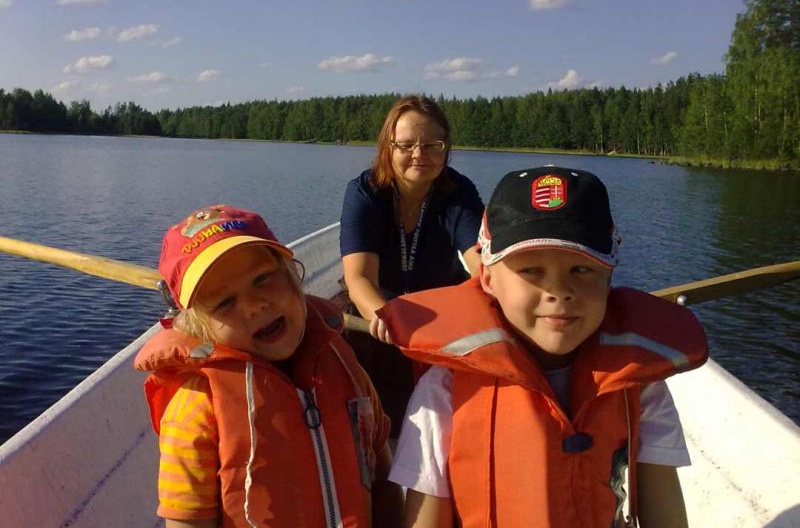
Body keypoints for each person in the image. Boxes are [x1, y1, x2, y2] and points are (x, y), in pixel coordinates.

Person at [377, 166, 709, 528]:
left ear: (609, 275)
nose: (559, 291)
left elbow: (665, 515)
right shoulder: (443, 391)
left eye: (581, 270)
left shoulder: (639, 384)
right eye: (532, 271)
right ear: (487, 277)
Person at [134, 204, 402, 527]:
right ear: (199, 327)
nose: (253, 305)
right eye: (225, 302)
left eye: (262, 279)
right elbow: (187, 520)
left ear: (291, 275)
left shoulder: (343, 363)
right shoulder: (195, 409)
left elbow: (382, 471)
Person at [340, 95, 484, 439]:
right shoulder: (366, 192)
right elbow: (358, 277)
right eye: (406, 145)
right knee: (357, 355)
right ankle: (369, 436)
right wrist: (386, 318)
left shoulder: (458, 192)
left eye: (432, 144)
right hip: (376, 314)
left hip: (438, 316)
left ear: (446, 148)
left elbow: (481, 260)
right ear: (388, 148)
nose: (419, 154)